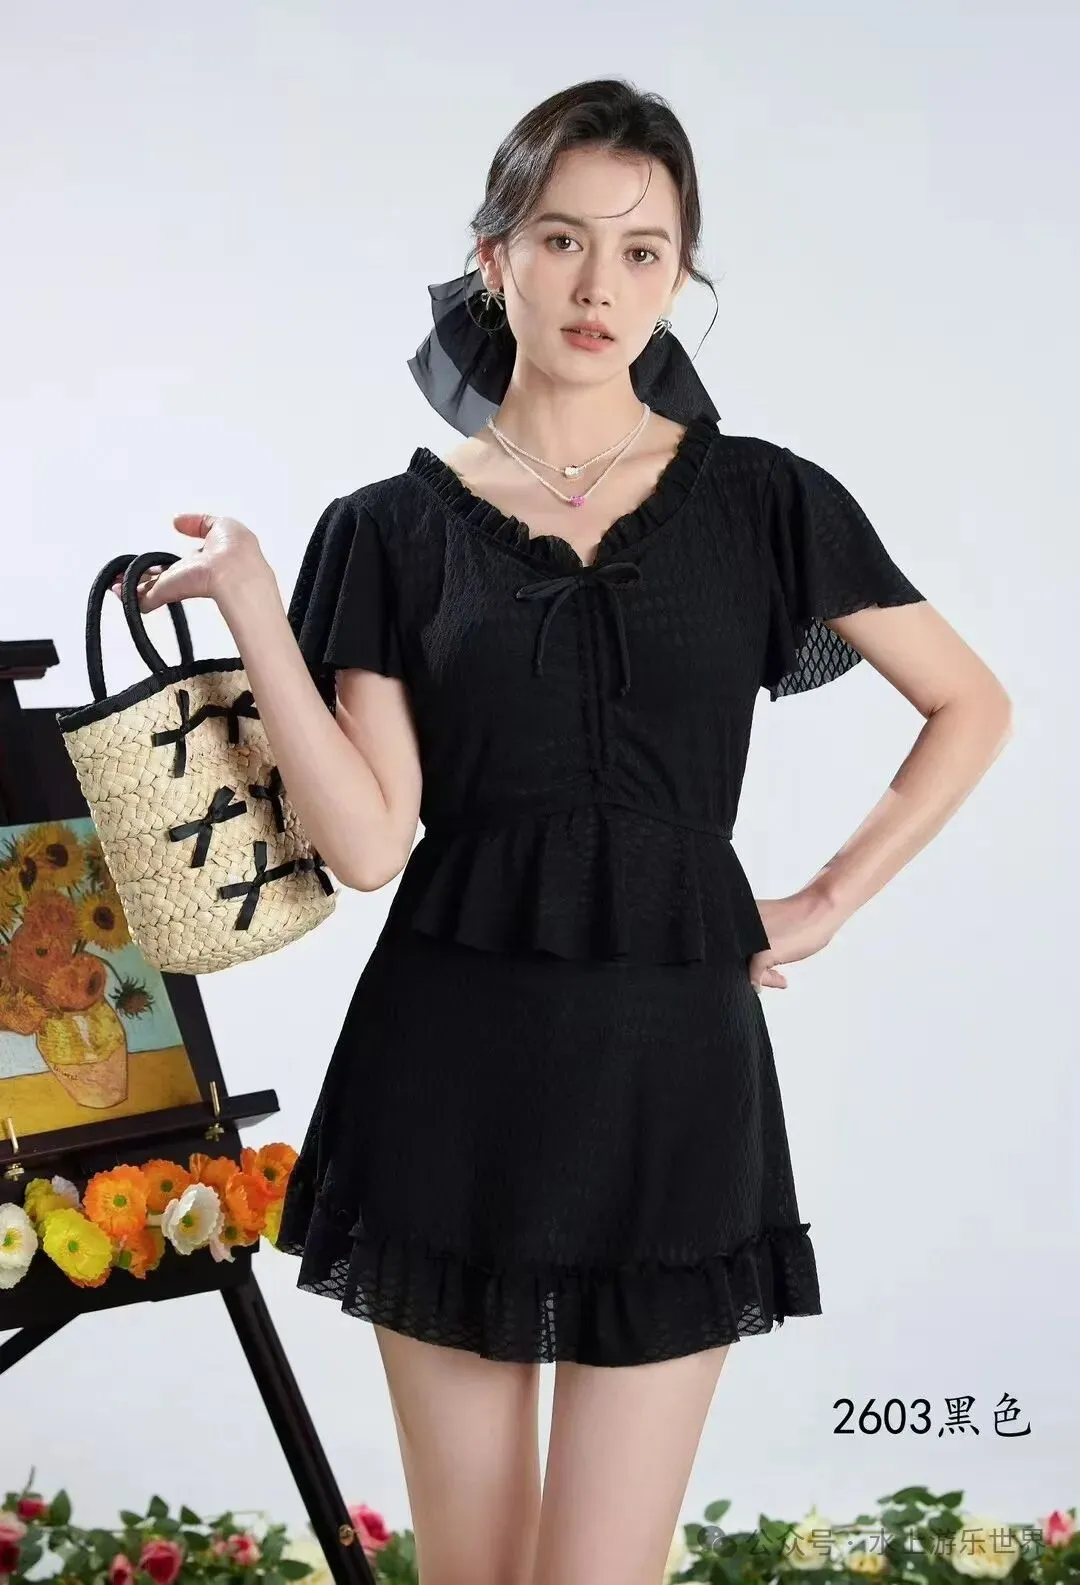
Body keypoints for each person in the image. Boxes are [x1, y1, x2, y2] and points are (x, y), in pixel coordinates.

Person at [115, 77, 1013, 1585]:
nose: (601, 285)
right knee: (475, 1572)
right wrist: (261, 607)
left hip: (674, 1084)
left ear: (678, 277)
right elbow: (371, 845)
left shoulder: (765, 499)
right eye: (562, 240)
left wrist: (826, 899)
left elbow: (968, 704)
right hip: (446, 1080)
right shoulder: (388, 528)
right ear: (494, 260)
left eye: (643, 251)